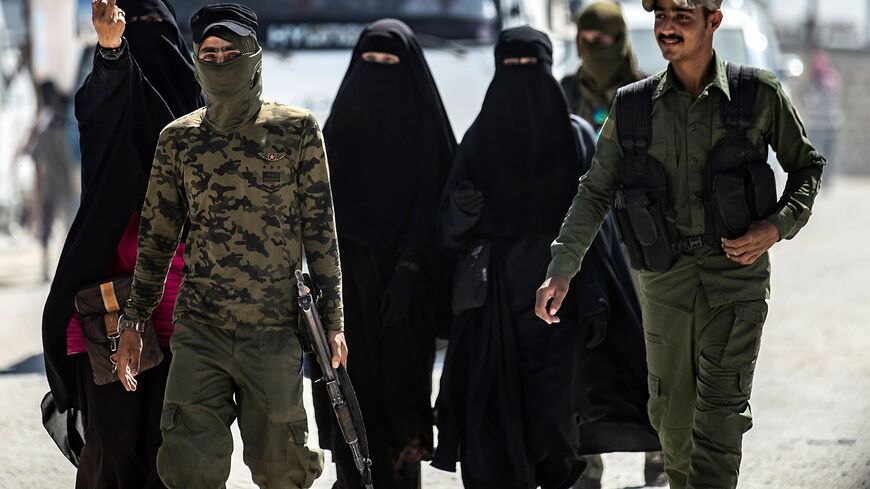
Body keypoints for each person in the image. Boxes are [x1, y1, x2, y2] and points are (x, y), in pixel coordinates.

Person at [536, 1, 826, 489]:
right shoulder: (633, 107)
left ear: (714, 21)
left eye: (682, 17)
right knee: (671, 419)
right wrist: (562, 268)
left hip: (736, 279)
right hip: (664, 281)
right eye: (660, 16)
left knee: (718, 416)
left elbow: (807, 168)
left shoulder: (758, 95)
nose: (667, 27)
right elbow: (595, 190)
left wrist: (775, 227)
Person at [110, 4, 348, 487]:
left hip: (274, 329)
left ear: (253, 57)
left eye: (229, 52)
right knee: (187, 467)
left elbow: (321, 232)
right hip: (201, 328)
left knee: (283, 467)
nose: (218, 61)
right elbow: (157, 240)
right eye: (208, 53)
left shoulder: (296, 130)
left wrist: (334, 321)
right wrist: (133, 321)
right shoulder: (178, 140)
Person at [432, 25, 603, 489]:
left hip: (558, 300)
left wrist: (594, 300)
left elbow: (599, 226)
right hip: (493, 303)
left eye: (531, 67)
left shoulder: (577, 139)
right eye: (512, 68)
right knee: (491, 418)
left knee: (554, 422)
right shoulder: (479, 139)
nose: (521, 79)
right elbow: (446, 238)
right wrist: (462, 214)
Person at [40, 0, 202, 486]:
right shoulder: (112, 99)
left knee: (167, 453)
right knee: (110, 448)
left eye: (157, 29)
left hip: (183, 313)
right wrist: (112, 52)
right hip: (106, 306)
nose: (150, 41)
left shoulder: (202, 113)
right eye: (139, 29)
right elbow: (99, 107)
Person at [322, 18, 455, 489]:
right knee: (349, 396)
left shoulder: (428, 135)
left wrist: (409, 268)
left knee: (400, 399)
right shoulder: (331, 139)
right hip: (346, 286)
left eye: (390, 63)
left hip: (409, 286)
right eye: (370, 62)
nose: (378, 73)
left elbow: (436, 206)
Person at [560, 3, 667, 488]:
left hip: (640, 243)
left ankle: (660, 449)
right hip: (582, 242)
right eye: (586, 40)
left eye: (603, 40)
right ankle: (587, 461)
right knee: (586, 350)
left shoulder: (649, 93)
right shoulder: (562, 93)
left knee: (652, 347)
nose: (593, 50)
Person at [560, 0, 643, 133]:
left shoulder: (647, 92)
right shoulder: (567, 91)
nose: (590, 49)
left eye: (599, 40)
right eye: (583, 40)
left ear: (619, 40)